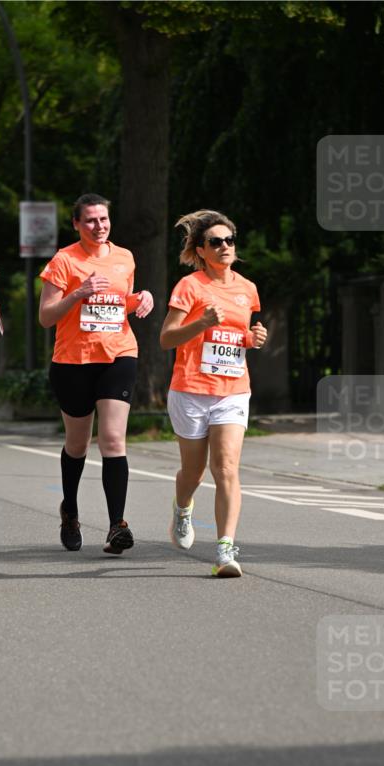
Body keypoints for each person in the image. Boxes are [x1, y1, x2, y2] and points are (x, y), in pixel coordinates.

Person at [38, 193, 153, 554]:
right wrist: (78, 293)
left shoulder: (124, 258)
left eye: (103, 219)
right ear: (76, 224)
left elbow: (121, 302)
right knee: (77, 443)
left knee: (114, 440)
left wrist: (141, 299)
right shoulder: (64, 261)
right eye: (90, 220)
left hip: (119, 354)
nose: (99, 226)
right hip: (73, 361)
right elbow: (46, 316)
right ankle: (70, 511)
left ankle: (116, 525)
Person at [159, 210, 267, 577]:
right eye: (215, 242)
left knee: (227, 468)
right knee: (194, 472)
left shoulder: (247, 289)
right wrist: (200, 322)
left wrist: (253, 340)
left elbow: (241, 335)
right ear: (201, 250)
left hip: (232, 391)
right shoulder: (189, 287)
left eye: (229, 241)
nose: (224, 247)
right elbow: (166, 338)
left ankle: (224, 550)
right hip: (190, 389)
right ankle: (183, 507)